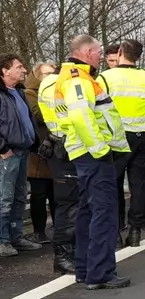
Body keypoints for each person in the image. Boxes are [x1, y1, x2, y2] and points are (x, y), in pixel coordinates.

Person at [54, 35, 131, 289]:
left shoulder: (76, 76)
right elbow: (81, 116)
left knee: (88, 212)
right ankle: (101, 273)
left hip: (83, 153)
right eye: (98, 52)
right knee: (104, 212)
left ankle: (86, 268)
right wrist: (100, 150)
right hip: (92, 154)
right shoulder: (79, 78)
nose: (101, 56)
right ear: (87, 52)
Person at [98, 39, 145, 247]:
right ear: (139, 57)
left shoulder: (105, 77)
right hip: (143, 135)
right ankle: (135, 231)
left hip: (117, 138)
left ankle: (114, 232)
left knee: (112, 185)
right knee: (139, 185)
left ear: (121, 52)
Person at [0, 53, 42, 257]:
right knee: (4, 198)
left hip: (22, 151)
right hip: (7, 154)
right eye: (18, 67)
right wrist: (2, 149)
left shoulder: (19, 93)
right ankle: (3, 240)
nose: (23, 70)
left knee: (18, 197)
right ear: (4, 71)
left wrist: (34, 143)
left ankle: (15, 237)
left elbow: (27, 120)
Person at [39, 63, 78, 274]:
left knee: (71, 204)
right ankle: (63, 255)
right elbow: (69, 119)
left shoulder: (53, 83)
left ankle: (68, 252)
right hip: (66, 149)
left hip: (63, 147)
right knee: (69, 205)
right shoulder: (61, 84)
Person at [24, 61, 57, 245]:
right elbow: (38, 116)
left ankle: (59, 227)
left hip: (55, 147)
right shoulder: (29, 94)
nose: (50, 78)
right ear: (37, 76)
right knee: (39, 193)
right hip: (38, 149)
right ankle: (39, 231)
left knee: (56, 193)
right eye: (46, 74)